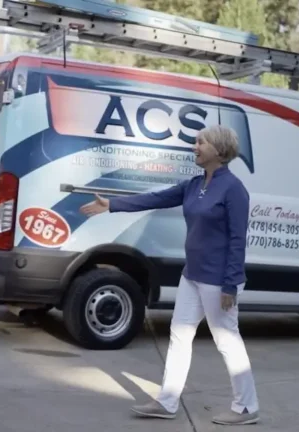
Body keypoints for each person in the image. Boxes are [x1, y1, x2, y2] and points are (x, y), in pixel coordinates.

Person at [80, 125, 260, 426]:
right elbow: (156, 199)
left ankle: (246, 406)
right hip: (192, 275)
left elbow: (237, 240)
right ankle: (167, 402)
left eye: (201, 142)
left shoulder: (233, 189)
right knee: (179, 336)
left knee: (227, 340)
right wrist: (112, 205)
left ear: (219, 149)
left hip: (218, 280)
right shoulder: (194, 184)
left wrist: (230, 283)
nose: (195, 146)